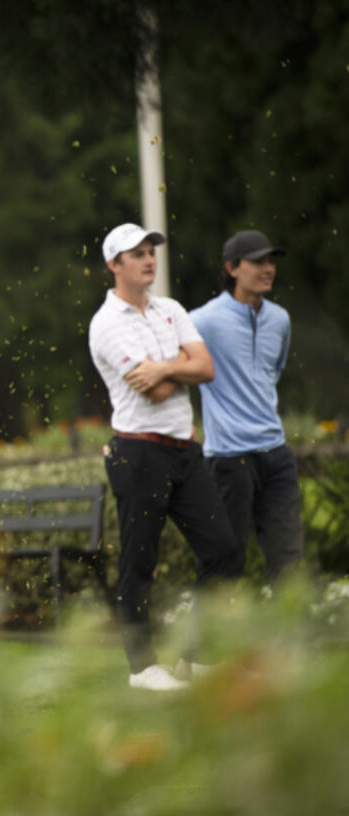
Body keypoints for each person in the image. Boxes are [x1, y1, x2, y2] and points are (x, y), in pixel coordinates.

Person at [88, 222, 243, 691]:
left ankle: (195, 659)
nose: (149, 259)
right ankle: (142, 669)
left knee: (224, 550)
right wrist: (179, 366)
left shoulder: (170, 309)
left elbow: (207, 368)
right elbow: (155, 391)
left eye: (150, 250)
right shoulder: (107, 323)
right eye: (136, 254)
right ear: (114, 265)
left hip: (184, 452)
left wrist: (166, 364)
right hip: (139, 452)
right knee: (139, 562)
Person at [190, 230, 303, 584]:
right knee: (225, 558)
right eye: (258, 261)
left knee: (288, 559)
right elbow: (181, 368)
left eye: (271, 261)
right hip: (228, 458)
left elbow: (272, 372)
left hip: (276, 454)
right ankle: (208, 638)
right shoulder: (203, 321)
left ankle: (290, 639)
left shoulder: (280, 319)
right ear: (232, 268)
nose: (268, 268)